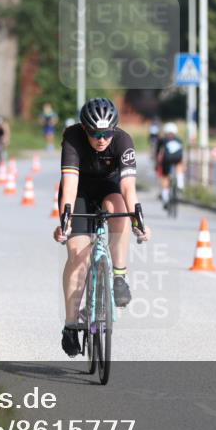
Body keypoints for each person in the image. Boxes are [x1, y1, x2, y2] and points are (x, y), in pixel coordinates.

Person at [53, 98, 150, 357]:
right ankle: (72, 324)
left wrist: (140, 223)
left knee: (120, 209)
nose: (102, 139)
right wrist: (64, 221)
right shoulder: (72, 137)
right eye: (95, 133)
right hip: (81, 191)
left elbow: (129, 188)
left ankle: (119, 277)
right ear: (84, 129)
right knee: (77, 256)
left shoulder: (123, 141)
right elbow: (70, 186)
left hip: (109, 187)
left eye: (107, 133)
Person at [155, 122, 184, 207]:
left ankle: (165, 199)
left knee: (165, 177)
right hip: (177, 159)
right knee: (179, 164)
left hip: (166, 160)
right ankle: (180, 183)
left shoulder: (162, 140)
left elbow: (158, 153)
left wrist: (157, 164)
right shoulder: (179, 140)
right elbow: (182, 153)